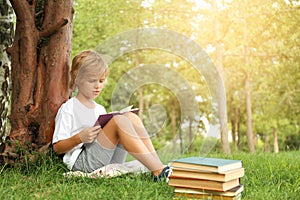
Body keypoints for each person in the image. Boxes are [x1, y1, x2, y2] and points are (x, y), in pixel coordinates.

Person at [52, 50, 171, 181]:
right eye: (92, 81)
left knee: (132, 117)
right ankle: (158, 171)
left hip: (106, 158)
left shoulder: (100, 109)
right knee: (119, 121)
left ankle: (158, 166)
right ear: (77, 80)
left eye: (101, 81)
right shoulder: (69, 108)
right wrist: (80, 137)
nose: (97, 86)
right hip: (82, 163)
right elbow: (57, 148)